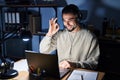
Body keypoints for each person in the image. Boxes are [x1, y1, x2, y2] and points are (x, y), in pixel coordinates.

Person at [39, 4, 100, 70]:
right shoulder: (59, 35)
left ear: (78, 18)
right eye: (64, 20)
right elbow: (43, 50)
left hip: (79, 72)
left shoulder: (90, 37)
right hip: (61, 71)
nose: (67, 24)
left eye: (70, 20)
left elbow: (93, 64)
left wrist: (75, 65)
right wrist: (49, 34)